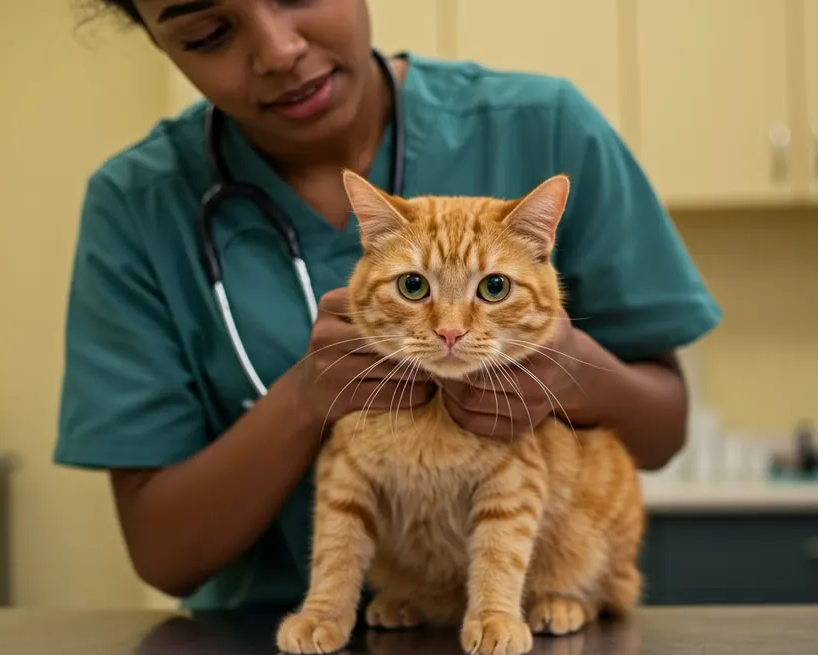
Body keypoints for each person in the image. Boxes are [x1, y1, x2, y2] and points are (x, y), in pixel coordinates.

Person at [54, 0, 723, 613]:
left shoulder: (543, 127)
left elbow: (663, 430)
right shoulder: (137, 205)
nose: (279, 50)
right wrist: (306, 397)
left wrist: (572, 369)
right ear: (161, 43)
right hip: (259, 633)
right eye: (209, 33)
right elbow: (164, 554)